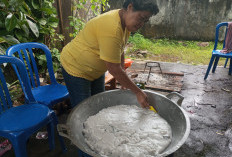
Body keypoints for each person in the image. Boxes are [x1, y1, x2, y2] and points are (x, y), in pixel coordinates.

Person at [60, 0, 159, 108]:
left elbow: (119, 50)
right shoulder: (112, 27)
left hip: (95, 71)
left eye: (145, 21)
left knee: (100, 103)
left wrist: (123, 75)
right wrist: (138, 92)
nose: (141, 24)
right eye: (141, 18)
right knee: (84, 107)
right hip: (75, 67)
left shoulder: (124, 21)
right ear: (130, 7)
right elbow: (113, 68)